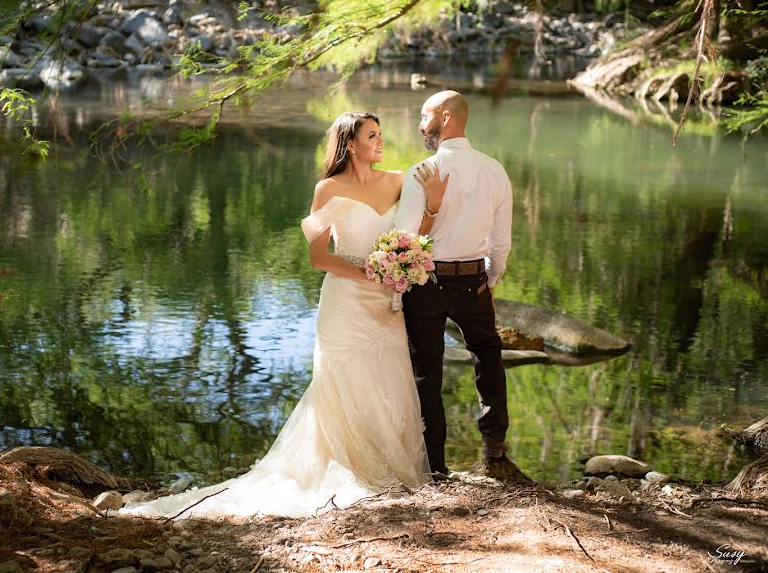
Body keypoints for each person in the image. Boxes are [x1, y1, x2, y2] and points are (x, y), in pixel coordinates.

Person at [121, 111, 446, 519]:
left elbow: (416, 235)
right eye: (372, 135)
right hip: (345, 302)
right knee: (344, 380)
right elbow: (317, 258)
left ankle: (392, 468)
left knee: (389, 379)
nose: (381, 141)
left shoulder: (399, 181)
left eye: (380, 134)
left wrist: (430, 208)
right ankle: (354, 467)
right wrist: (370, 271)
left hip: (386, 303)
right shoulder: (327, 189)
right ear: (351, 144)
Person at [394, 90, 513, 477]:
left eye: (424, 116)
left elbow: (405, 239)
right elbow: (501, 240)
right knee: (487, 353)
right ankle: (494, 442)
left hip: (426, 285)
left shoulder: (422, 172)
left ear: (445, 118)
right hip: (473, 280)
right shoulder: (494, 169)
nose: (419, 124)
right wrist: (489, 278)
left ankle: (437, 465)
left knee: (426, 371)